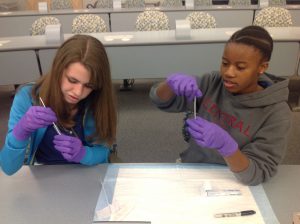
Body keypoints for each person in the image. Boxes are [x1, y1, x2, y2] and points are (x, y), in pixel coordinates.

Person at [149, 25, 291, 185]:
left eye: (240, 67)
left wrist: (227, 147)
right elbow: (161, 101)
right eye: (225, 63)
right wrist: (169, 85)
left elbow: (257, 173)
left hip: (235, 181)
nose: (228, 73)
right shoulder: (212, 82)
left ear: (262, 67)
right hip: (193, 170)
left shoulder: (276, 112)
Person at [0, 34, 117, 176]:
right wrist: (21, 132)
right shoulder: (27, 97)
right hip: (43, 177)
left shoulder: (97, 99)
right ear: (58, 69)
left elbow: (104, 152)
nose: (78, 92)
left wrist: (83, 154)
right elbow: (8, 168)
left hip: (88, 175)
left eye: (89, 85)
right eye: (72, 80)